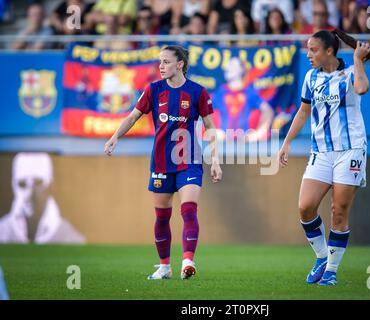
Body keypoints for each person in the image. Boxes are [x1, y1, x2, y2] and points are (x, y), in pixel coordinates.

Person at [104, 45, 222, 280]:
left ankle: (188, 261)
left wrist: (215, 160)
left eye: (166, 62)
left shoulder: (198, 92)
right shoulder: (153, 90)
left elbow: (210, 127)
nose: (161, 66)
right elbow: (133, 116)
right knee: (162, 217)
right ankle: (165, 266)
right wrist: (115, 136)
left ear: (180, 65)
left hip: (189, 161)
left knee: (189, 210)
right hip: (160, 163)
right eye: (160, 62)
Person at [278, 29, 370, 285]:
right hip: (321, 152)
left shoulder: (349, 74)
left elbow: (362, 88)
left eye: (313, 50)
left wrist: (358, 60)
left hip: (351, 150)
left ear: (329, 51)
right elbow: (303, 112)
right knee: (305, 207)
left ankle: (331, 271)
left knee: (339, 211)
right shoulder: (310, 77)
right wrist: (287, 142)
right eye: (308, 49)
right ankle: (323, 256)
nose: (309, 54)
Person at [0, 153, 86, 244]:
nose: (29, 194)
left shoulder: (72, 240)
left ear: (51, 185)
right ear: (13, 186)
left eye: (38, 183)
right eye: (22, 184)